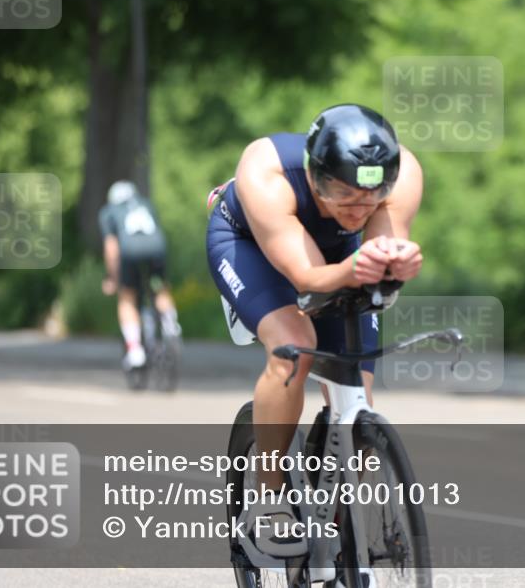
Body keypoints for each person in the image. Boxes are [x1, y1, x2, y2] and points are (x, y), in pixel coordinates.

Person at [205, 104, 424, 554]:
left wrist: (393, 265)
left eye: (371, 197)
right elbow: (307, 279)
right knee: (294, 345)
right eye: (342, 194)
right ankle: (268, 498)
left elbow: (381, 247)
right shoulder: (267, 170)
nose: (358, 208)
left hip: (339, 253)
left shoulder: (402, 174)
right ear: (314, 174)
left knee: (356, 390)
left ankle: (338, 528)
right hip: (252, 245)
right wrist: (360, 266)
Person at [99, 180, 180, 369]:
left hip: (130, 252)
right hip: (156, 249)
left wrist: (112, 277)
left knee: (127, 297)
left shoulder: (109, 211)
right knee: (159, 289)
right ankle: (170, 324)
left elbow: (111, 248)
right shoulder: (146, 204)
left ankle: (135, 350)